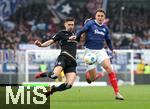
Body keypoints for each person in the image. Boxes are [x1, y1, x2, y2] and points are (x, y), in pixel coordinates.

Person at [70, 8, 124, 100]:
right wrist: (76, 36)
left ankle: (117, 93)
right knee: (92, 78)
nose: (100, 17)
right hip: (89, 52)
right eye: (98, 16)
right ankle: (91, 76)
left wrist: (112, 49)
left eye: (101, 16)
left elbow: (108, 40)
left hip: (100, 51)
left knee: (109, 69)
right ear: (95, 16)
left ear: (104, 18)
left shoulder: (105, 28)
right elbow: (82, 30)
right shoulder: (90, 23)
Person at [34, 17, 77, 97]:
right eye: (69, 24)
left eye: (72, 25)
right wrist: (41, 45)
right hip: (64, 57)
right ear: (65, 24)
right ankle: (44, 73)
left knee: (69, 85)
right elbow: (50, 41)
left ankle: (54, 89)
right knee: (54, 76)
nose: (71, 26)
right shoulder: (61, 33)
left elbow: (85, 35)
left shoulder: (76, 35)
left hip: (72, 62)